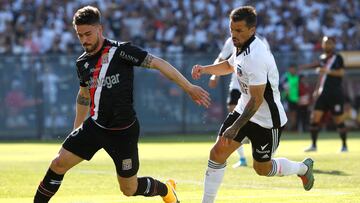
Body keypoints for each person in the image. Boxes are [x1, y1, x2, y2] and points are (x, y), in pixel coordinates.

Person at [34, 6, 211, 203]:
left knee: (129, 188)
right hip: (95, 126)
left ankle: (165, 189)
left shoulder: (121, 51)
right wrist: (77, 128)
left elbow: (158, 63)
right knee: (58, 163)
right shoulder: (82, 63)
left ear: (100, 29)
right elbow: (84, 94)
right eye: (79, 35)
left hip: (123, 131)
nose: (84, 40)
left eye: (88, 34)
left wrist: (188, 87)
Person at [191, 6, 314, 203]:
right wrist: (205, 69)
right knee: (217, 153)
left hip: (267, 121)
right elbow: (230, 65)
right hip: (244, 109)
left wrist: (235, 127)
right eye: (231, 30)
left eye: (239, 30)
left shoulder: (257, 57)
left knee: (262, 169)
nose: (234, 35)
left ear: (252, 30)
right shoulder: (240, 46)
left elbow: (257, 100)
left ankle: (303, 168)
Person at [301, 36, 348, 152]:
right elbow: (322, 76)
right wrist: (317, 90)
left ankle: (344, 145)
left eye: (330, 43)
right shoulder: (322, 58)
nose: (327, 45)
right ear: (322, 45)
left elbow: (341, 73)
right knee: (314, 119)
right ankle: (313, 145)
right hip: (322, 94)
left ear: (334, 45)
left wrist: (327, 71)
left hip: (335, 94)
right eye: (325, 43)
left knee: (339, 120)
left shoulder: (338, 58)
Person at [208, 37, 248, 168]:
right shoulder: (231, 41)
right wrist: (214, 75)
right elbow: (222, 59)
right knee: (233, 114)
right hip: (237, 85)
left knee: (255, 117)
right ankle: (242, 158)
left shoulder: (260, 41)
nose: (235, 32)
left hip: (255, 85)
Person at [280, 65, 299, 131]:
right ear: (289, 69)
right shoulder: (285, 77)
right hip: (286, 99)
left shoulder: (297, 77)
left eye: (294, 69)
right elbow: (281, 86)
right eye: (291, 69)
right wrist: (285, 92)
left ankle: (292, 128)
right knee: (286, 114)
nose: (293, 70)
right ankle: (285, 128)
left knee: (293, 114)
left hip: (295, 99)